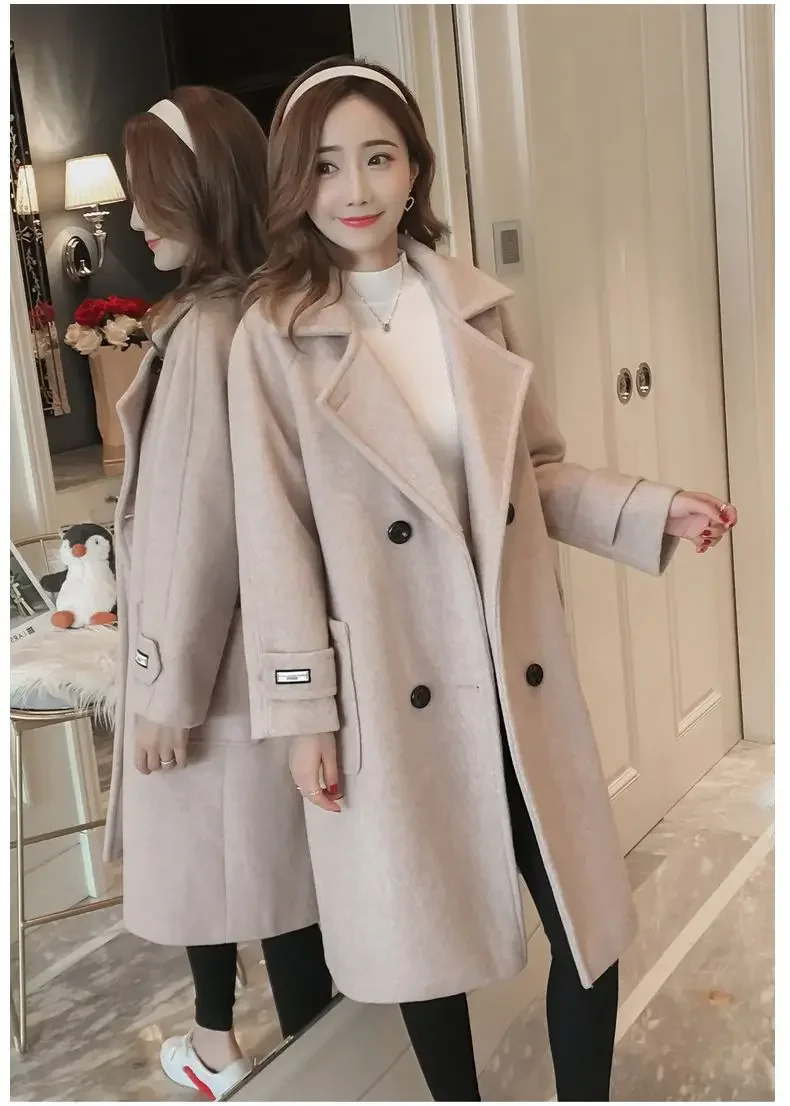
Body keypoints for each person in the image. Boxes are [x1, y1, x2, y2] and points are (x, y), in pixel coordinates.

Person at [227, 58, 738, 1102]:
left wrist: (652, 507)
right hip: (389, 685)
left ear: (415, 168)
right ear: (295, 182)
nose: (356, 188)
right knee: (429, 942)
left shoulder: (471, 307)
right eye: (326, 165)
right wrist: (304, 715)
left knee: (587, 927)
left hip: (516, 675)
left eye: (379, 157)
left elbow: (533, 476)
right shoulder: (272, 336)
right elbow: (273, 540)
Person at [103, 86, 333, 1100]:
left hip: (215, 676)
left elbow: (199, 534)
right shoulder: (264, 309)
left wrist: (164, 690)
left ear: (204, 190)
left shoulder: (204, 329)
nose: (134, 218)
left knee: (255, 891)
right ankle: (246, 1049)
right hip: (251, 666)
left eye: (150, 193)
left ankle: (266, 1065)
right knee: (275, 889)